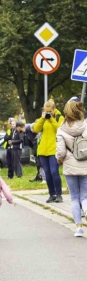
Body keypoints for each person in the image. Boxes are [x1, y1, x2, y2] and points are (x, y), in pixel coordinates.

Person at [56, 99, 87, 237]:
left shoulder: (61, 130)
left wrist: (59, 159)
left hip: (69, 166)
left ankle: (79, 228)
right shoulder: (86, 126)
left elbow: (61, 152)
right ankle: (86, 209)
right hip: (85, 164)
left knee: (74, 197)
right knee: (85, 195)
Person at [32, 99, 64, 203]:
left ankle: (59, 194)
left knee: (54, 172)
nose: (48, 113)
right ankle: (52, 194)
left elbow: (60, 129)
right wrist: (42, 119)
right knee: (47, 174)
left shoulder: (60, 117)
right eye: (46, 111)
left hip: (54, 150)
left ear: (54, 109)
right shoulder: (43, 119)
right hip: (42, 151)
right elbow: (36, 129)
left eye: (50, 111)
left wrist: (51, 119)